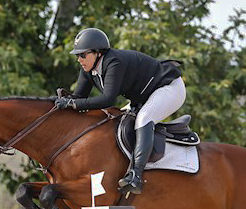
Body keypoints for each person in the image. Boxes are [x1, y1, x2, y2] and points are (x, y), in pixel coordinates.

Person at [55, 27, 186, 194]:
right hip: (143, 96)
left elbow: (108, 100)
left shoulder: (114, 61)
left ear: (98, 53)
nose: (79, 59)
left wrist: (72, 104)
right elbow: (79, 97)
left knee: (143, 119)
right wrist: (65, 101)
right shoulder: (89, 69)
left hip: (169, 88)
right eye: (77, 56)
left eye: (83, 55)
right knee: (114, 121)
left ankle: (136, 175)